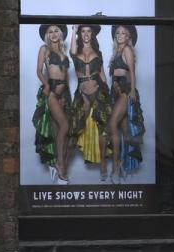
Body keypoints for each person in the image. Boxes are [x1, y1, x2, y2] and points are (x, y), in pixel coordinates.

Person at [70, 23, 112, 181]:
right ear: (80, 34)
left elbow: (101, 74)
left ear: (92, 34)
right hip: (83, 94)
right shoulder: (76, 51)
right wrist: (73, 30)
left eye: (89, 31)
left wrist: (107, 91)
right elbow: (72, 51)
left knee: (103, 127)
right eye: (83, 31)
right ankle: (64, 167)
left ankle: (102, 164)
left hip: (98, 90)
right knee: (76, 127)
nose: (86, 34)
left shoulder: (98, 52)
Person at [33, 24, 71, 184]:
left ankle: (56, 164)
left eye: (56, 31)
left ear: (61, 33)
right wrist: (47, 85)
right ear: (47, 35)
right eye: (50, 32)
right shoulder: (44, 49)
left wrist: (68, 93)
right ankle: (60, 165)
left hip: (64, 93)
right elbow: (39, 70)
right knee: (64, 126)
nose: (54, 34)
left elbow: (65, 75)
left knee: (59, 130)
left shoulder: (63, 51)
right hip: (53, 92)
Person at [108, 24, 145, 180]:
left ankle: (115, 166)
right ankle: (122, 165)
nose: (120, 34)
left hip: (125, 92)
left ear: (128, 37)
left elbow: (132, 72)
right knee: (123, 129)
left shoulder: (127, 50)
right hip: (116, 93)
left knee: (112, 125)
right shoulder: (116, 52)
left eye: (123, 33)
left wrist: (131, 92)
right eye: (118, 32)